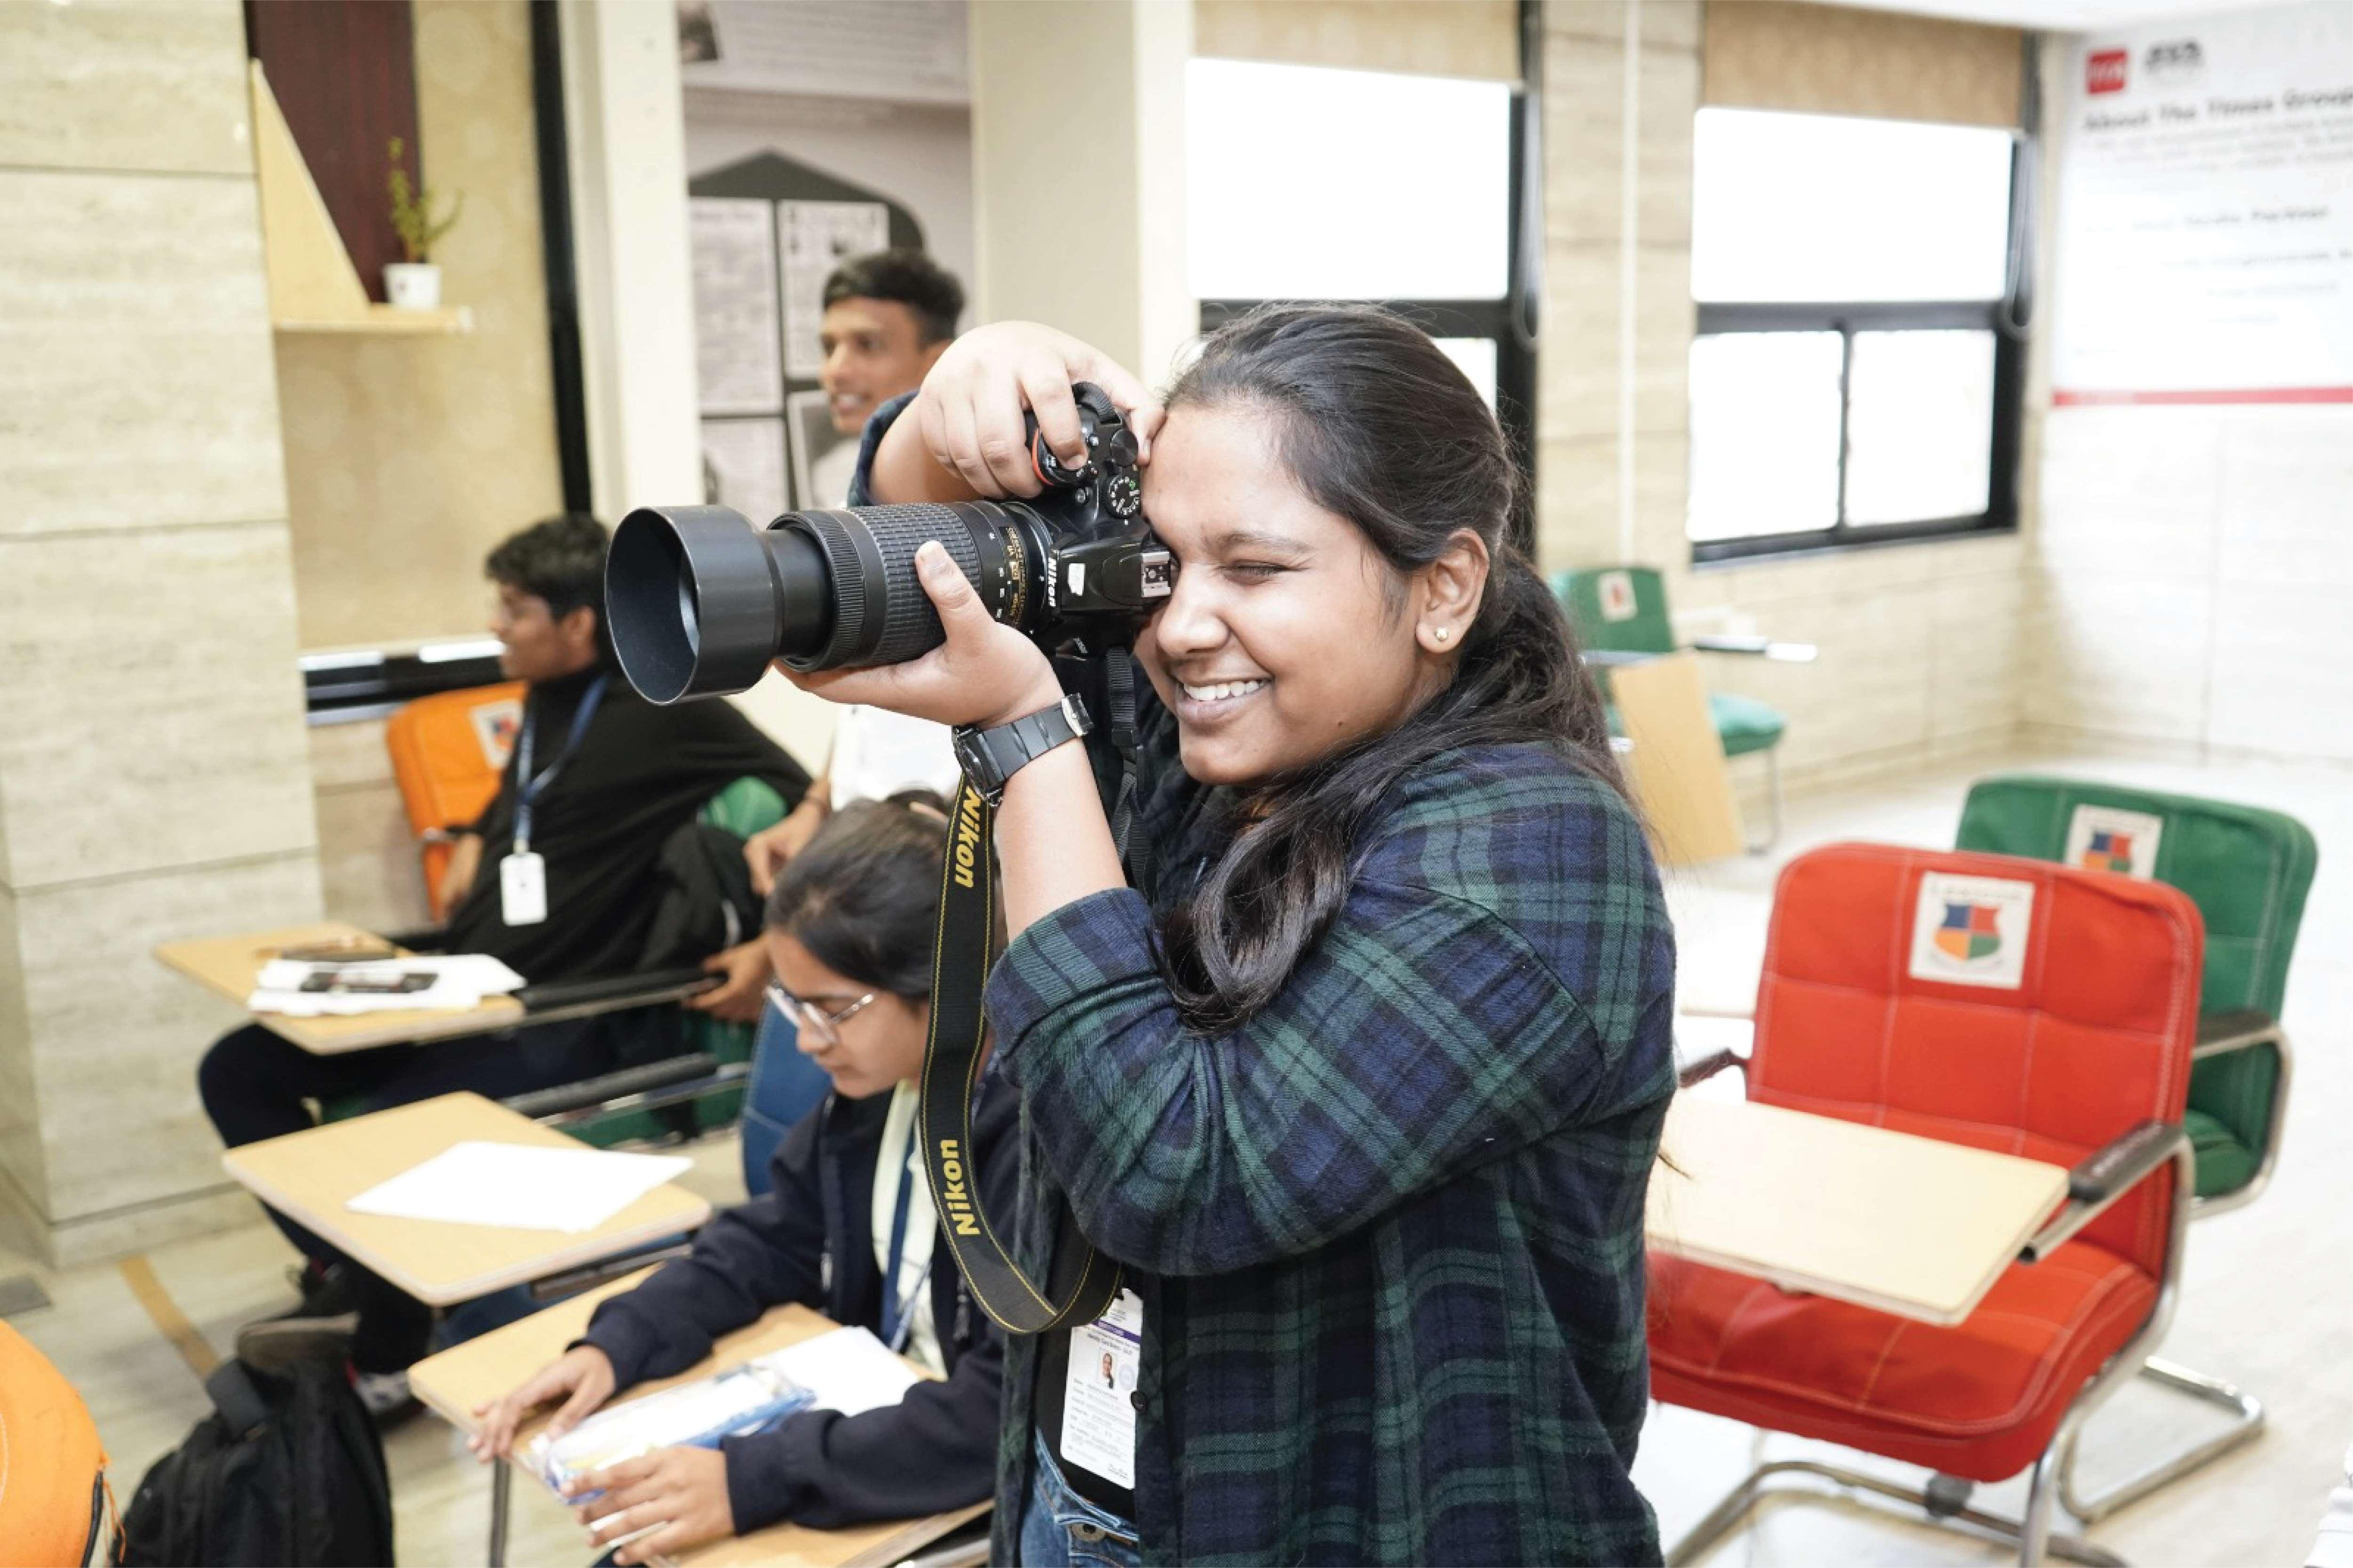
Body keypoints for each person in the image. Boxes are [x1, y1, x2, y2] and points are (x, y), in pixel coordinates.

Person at [789, 305, 1677, 1565]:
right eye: (1164, 562)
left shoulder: (1537, 848)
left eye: (1254, 569)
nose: (1182, 625)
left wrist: (1029, 740)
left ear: (1443, 588)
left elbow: (1172, 1169)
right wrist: (949, 414)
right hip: (1089, 1486)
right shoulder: (1214, 733)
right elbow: (926, 557)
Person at [201, 514, 811, 1406]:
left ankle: (386, 1351)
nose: (496, 625)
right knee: (239, 1068)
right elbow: (522, 805)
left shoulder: (674, 711)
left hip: (564, 1016)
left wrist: (772, 946)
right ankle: (364, 1278)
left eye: (516, 609)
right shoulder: (545, 697)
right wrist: (472, 845)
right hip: (467, 986)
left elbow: (816, 805)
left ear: (579, 624)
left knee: (379, 1141)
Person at [470, 796, 1009, 1566]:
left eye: (833, 1010)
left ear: (944, 983)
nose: (807, 1040)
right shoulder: (876, 1093)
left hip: (949, 1489)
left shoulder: (1032, 1137)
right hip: (865, 1440)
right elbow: (770, 1240)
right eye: (792, 1004)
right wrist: (621, 1343)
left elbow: (1001, 1407)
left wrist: (754, 1478)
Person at [701, 248, 965, 1012]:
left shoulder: (978, 518)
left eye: (867, 345)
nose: (837, 370)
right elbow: (867, 696)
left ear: (938, 360)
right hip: (853, 861)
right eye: (828, 347)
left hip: (930, 889)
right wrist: (816, 808)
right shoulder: (863, 509)